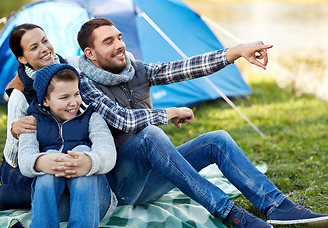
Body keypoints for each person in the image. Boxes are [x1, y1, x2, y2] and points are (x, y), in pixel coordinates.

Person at [63, 17, 328, 228]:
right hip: (119, 187)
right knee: (149, 135)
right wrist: (168, 113)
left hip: (154, 179)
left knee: (217, 139)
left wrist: (236, 51)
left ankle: (276, 206)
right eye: (108, 41)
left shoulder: (137, 70)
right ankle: (229, 213)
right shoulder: (82, 83)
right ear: (91, 53)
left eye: (119, 37)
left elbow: (186, 67)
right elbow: (121, 119)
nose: (120, 44)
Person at [0, 24, 70, 214]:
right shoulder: (20, 94)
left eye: (44, 40)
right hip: (20, 166)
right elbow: (13, 157)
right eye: (34, 47)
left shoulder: (70, 71)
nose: (44, 49)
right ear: (22, 58)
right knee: (32, 192)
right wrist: (15, 132)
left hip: (60, 157)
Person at [18, 63, 116, 228]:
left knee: (82, 151)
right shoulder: (33, 121)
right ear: (46, 100)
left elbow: (108, 153)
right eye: (64, 97)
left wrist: (89, 162)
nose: (73, 103)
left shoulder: (91, 117)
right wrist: (44, 162)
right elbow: (25, 160)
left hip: (95, 204)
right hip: (57, 207)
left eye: (76, 94)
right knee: (47, 161)